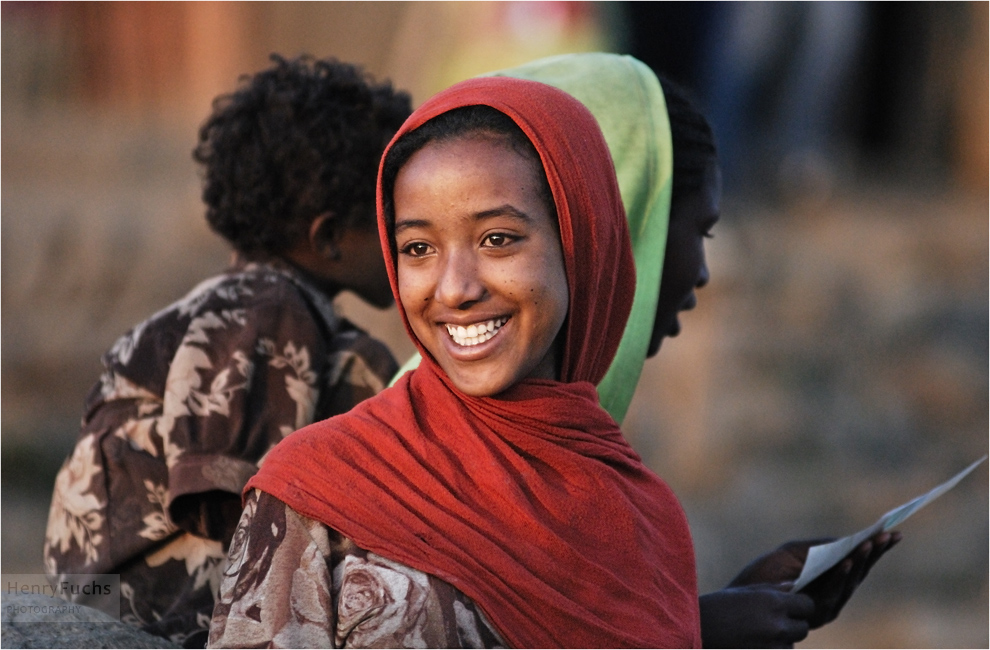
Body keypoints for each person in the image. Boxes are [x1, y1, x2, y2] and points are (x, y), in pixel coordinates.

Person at [381, 52, 900, 648]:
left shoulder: (600, 477)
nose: (702, 272)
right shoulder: (395, 468)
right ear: (609, 226)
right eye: (698, 231)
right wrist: (697, 636)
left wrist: (699, 618)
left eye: (497, 240)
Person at [209, 75, 702, 647]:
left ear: (583, 243)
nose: (455, 289)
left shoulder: (643, 521)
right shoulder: (316, 492)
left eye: (498, 239)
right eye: (418, 249)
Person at [43, 54, 410, 647]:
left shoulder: (264, 311)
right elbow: (238, 509)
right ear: (329, 236)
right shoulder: (266, 309)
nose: (414, 233)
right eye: (398, 214)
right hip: (157, 614)